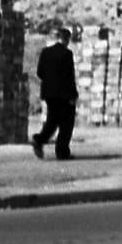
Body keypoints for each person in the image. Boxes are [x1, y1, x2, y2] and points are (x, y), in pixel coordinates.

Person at [32, 28, 78, 160]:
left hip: (49, 93)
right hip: (64, 94)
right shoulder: (67, 54)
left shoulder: (45, 52)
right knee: (66, 123)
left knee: (52, 120)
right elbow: (70, 76)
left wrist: (49, 81)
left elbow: (39, 72)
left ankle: (39, 139)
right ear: (66, 39)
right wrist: (73, 94)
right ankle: (62, 151)